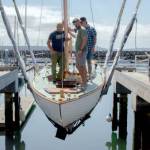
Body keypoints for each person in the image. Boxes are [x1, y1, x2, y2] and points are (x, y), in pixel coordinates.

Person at [72, 18, 88, 89]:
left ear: (79, 22)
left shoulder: (82, 29)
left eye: (76, 22)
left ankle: (84, 82)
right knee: (78, 66)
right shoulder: (78, 30)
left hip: (82, 51)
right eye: (74, 23)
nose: (75, 24)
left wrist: (80, 50)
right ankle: (83, 80)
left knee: (82, 66)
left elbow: (84, 40)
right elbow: (73, 32)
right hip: (78, 51)